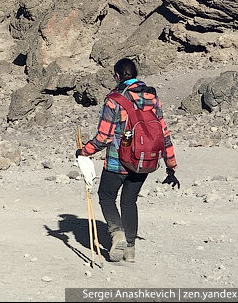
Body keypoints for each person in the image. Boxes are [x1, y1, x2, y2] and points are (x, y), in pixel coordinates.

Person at [75, 58, 179, 263]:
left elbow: (104, 137)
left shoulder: (114, 99)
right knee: (129, 201)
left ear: (117, 76)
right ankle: (130, 249)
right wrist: (171, 165)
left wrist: (84, 152)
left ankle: (117, 234)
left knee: (106, 195)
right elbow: (163, 133)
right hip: (145, 161)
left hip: (118, 161)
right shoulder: (152, 98)